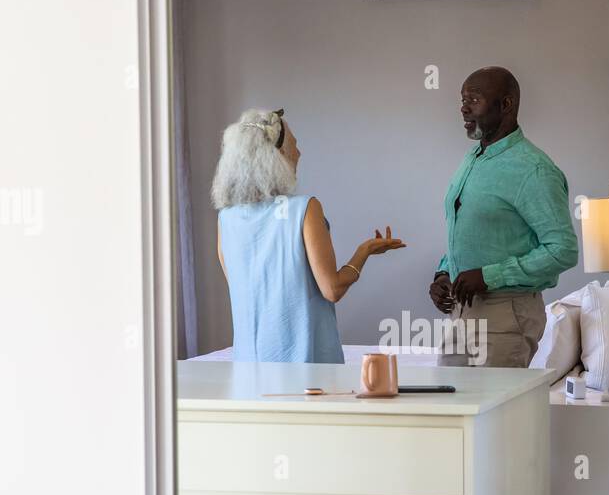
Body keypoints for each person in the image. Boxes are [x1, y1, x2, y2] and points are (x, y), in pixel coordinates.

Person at [212, 107, 404, 362]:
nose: (299, 153)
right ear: (276, 156)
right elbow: (332, 289)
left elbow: (245, 287)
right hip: (304, 372)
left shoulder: (226, 219)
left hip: (250, 368)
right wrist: (364, 251)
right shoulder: (303, 209)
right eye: (293, 146)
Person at [429, 68, 578, 367]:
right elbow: (474, 232)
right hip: (461, 311)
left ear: (506, 105)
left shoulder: (534, 170)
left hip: (505, 314)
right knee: (450, 410)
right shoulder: (474, 157)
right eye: (462, 99)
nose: (463, 107)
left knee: (493, 415)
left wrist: (488, 276)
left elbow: (563, 250)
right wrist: (443, 273)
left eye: (474, 98)